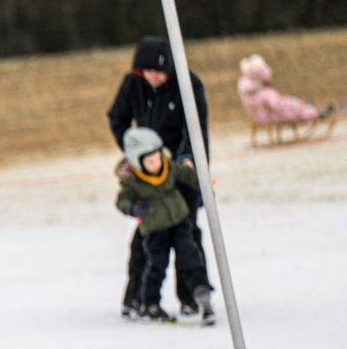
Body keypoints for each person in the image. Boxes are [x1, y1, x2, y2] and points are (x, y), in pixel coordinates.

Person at [108, 36, 212, 318]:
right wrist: (134, 154)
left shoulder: (188, 84)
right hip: (147, 173)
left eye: (158, 71)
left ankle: (192, 297)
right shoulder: (133, 84)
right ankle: (137, 298)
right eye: (147, 72)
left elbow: (197, 128)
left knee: (187, 234)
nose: (152, 77)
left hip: (179, 169)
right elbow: (117, 118)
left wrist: (189, 160)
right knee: (147, 238)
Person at [115, 127, 215, 325]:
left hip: (179, 221)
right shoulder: (132, 182)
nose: (156, 163)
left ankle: (201, 290)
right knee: (157, 265)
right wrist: (132, 208)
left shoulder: (168, 167)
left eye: (158, 158)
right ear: (137, 162)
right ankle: (150, 303)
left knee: (190, 255)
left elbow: (187, 175)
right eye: (150, 161)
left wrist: (203, 186)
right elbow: (121, 200)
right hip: (154, 230)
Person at [237, 53, 334, 123]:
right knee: (295, 105)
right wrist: (291, 102)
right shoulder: (265, 92)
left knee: (294, 104)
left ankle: (316, 110)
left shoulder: (247, 92)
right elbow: (276, 105)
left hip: (257, 118)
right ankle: (317, 112)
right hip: (274, 116)